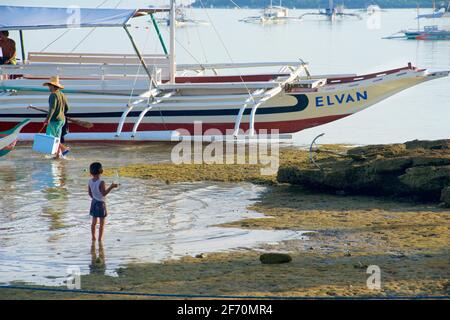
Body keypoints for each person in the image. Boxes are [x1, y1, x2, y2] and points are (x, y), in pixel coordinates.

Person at [88, 162, 118, 242]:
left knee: (94, 222)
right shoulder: (101, 182)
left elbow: (90, 193)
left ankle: (93, 237)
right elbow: (104, 193)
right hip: (101, 203)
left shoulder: (90, 181)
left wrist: (95, 198)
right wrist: (111, 187)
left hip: (94, 202)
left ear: (91, 172)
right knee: (101, 223)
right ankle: (100, 239)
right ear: (101, 171)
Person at [42, 76, 70, 157]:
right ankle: (58, 155)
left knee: (51, 138)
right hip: (62, 120)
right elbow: (67, 108)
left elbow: (52, 109)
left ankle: (64, 149)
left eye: (50, 86)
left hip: (54, 121)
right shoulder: (62, 94)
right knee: (56, 138)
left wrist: (47, 119)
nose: (49, 87)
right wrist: (61, 113)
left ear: (54, 86)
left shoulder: (53, 95)